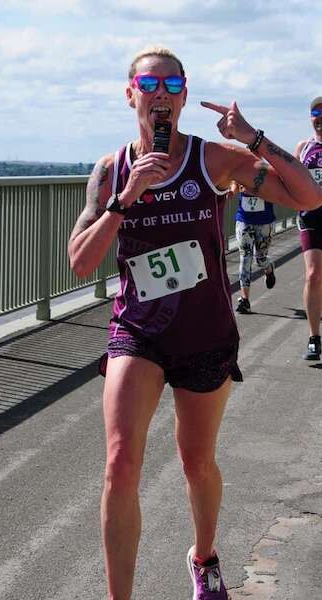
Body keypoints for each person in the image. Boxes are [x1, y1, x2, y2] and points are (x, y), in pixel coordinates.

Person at [68, 46, 322, 600]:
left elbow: (309, 195)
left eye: (173, 84)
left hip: (205, 331)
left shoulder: (214, 160)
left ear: (184, 96)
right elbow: (81, 261)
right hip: (138, 330)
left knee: (197, 462)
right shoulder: (111, 171)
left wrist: (251, 137)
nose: (161, 93)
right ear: (130, 93)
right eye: (149, 83)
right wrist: (125, 199)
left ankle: (204, 557)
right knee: (119, 462)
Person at [294, 96, 322, 360]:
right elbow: (287, 177)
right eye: (316, 112)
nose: (320, 117)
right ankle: (315, 338)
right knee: (313, 275)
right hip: (311, 218)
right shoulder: (304, 148)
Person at [230, 180, 276, 314]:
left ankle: (268, 267)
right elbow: (235, 183)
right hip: (244, 219)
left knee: (260, 259)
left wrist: (255, 190)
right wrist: (232, 191)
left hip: (264, 221)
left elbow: (275, 190)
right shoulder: (242, 163)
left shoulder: (268, 167)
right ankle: (245, 300)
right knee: (245, 257)